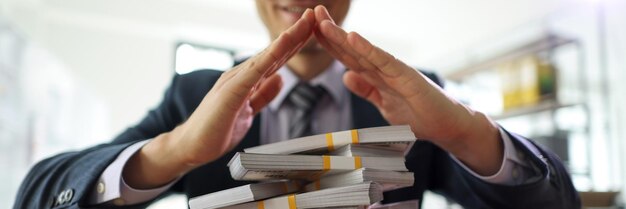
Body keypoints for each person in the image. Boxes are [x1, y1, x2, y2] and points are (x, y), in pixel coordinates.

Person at [14, 1, 580, 208]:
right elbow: (40, 194)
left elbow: (558, 203)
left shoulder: (414, 97)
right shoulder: (193, 95)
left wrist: (466, 135)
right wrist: (177, 150)